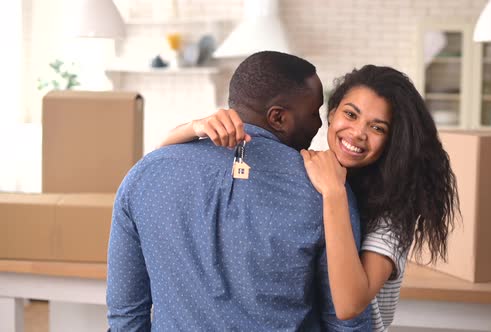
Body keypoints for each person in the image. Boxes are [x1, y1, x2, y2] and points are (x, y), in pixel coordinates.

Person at [161, 65, 459, 331]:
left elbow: (349, 306)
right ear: (331, 115)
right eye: (351, 114)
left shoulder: (392, 214)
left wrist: (334, 195)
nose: (357, 133)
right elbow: (155, 165)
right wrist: (195, 127)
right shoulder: (307, 166)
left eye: (377, 127)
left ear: (393, 139)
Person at [107, 51, 372, 331]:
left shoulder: (144, 175)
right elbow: (346, 323)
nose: (319, 124)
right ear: (278, 118)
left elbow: (126, 317)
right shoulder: (326, 191)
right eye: (313, 113)